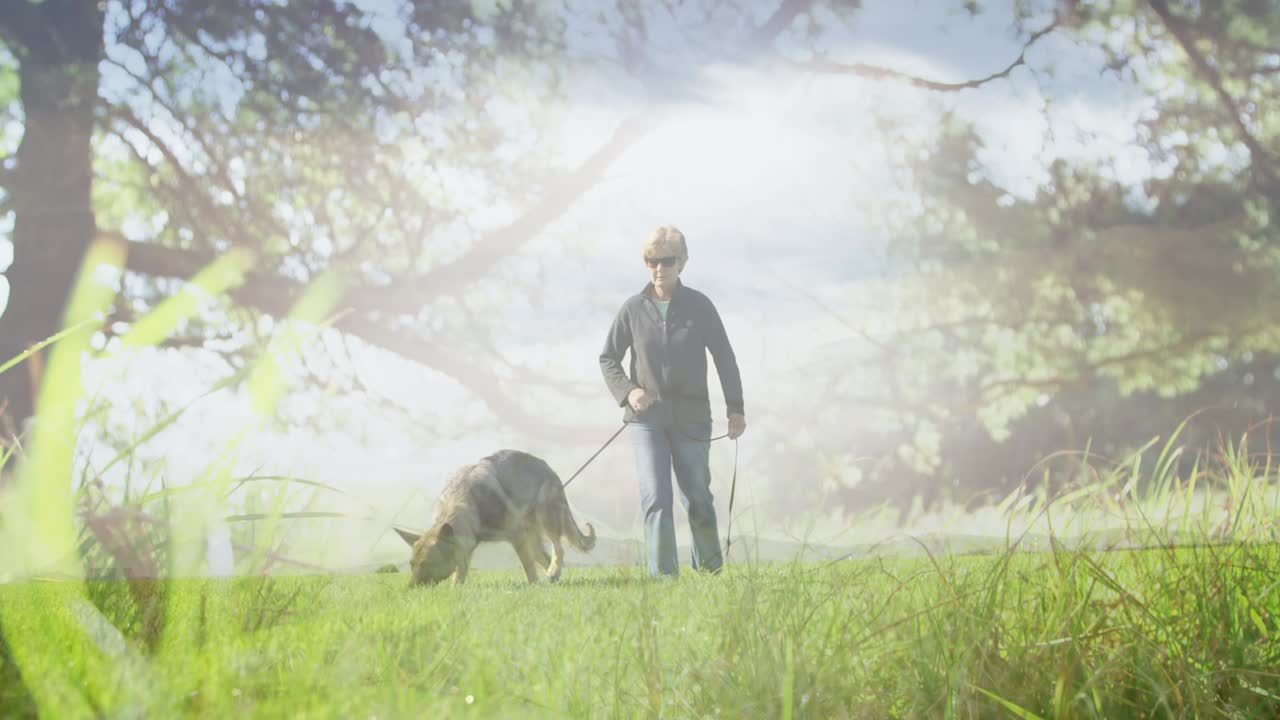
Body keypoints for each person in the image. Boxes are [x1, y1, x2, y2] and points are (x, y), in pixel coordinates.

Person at [599, 226, 746, 577]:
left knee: (697, 497)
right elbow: (608, 359)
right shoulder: (633, 309)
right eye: (652, 261)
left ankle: (709, 570)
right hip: (646, 420)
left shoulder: (700, 306)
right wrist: (629, 391)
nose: (659, 268)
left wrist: (735, 409)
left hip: (693, 416)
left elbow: (724, 357)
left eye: (667, 260)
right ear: (645, 263)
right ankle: (664, 578)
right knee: (656, 498)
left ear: (682, 262)